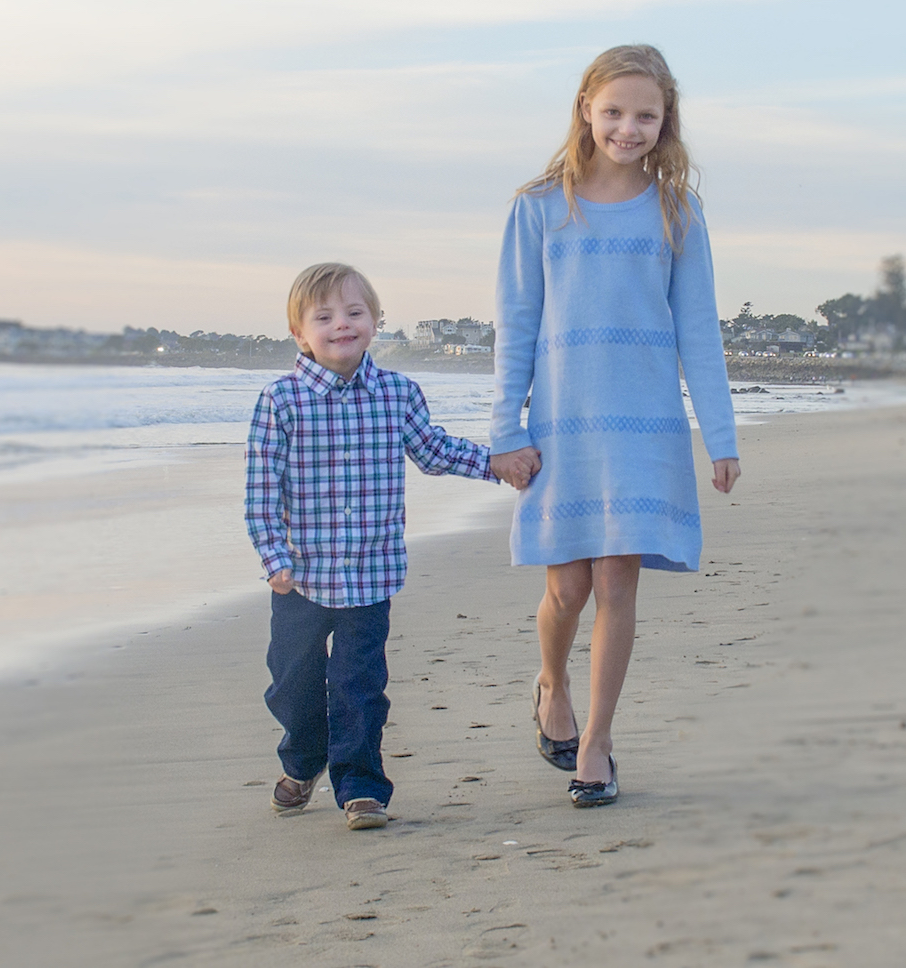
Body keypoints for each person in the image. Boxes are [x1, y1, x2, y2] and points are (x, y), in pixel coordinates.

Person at [488, 45, 741, 808]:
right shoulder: (539, 208)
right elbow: (516, 325)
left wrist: (720, 436)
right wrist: (506, 431)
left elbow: (699, 329)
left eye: (645, 115)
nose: (627, 128)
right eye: (614, 112)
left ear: (666, 124)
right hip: (564, 425)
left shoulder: (676, 210)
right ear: (585, 111)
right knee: (566, 588)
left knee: (616, 580)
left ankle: (595, 744)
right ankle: (551, 684)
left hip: (645, 426)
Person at [245, 262, 540, 830]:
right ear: (299, 332)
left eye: (355, 313)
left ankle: (360, 787)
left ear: (376, 321)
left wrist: (496, 465)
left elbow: (432, 451)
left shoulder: (396, 393)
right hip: (301, 579)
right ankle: (303, 760)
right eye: (324, 317)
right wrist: (274, 558)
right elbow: (261, 489)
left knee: (360, 688)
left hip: (370, 577)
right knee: (293, 683)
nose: (342, 325)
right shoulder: (280, 402)